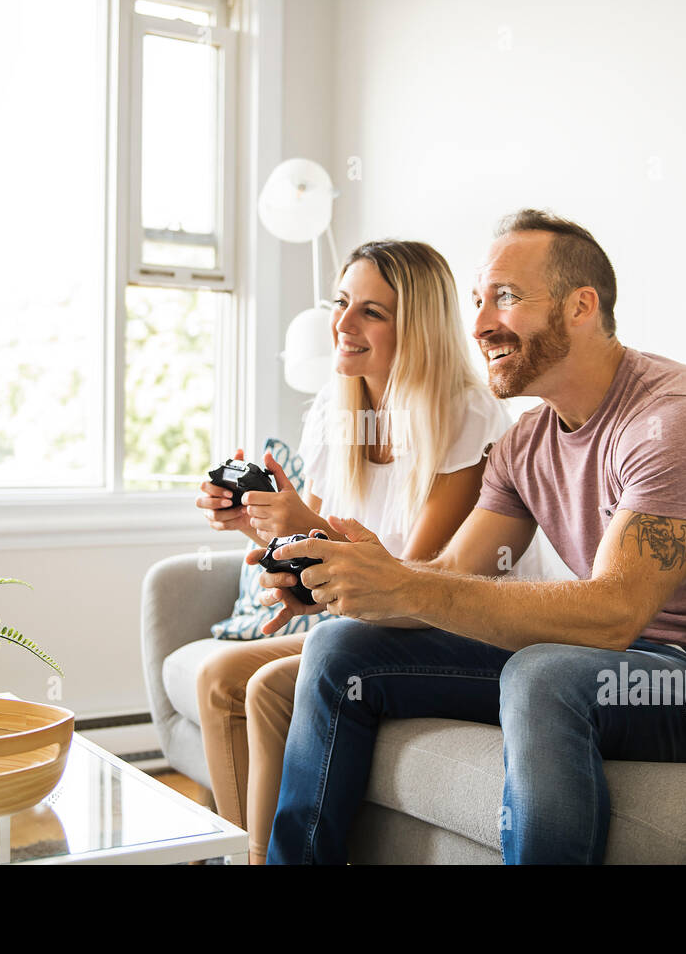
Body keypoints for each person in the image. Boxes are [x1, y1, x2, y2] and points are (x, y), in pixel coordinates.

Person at [257, 209, 686, 864]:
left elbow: (613, 616)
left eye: (504, 298)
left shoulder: (676, 417)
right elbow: (455, 576)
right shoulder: (524, 444)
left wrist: (405, 585)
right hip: (598, 662)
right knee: (340, 648)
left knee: (544, 674)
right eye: (479, 300)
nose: (479, 324)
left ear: (580, 307)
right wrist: (357, 577)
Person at [193, 239, 534, 864]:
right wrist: (260, 526)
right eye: (341, 302)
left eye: (371, 312)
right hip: (373, 622)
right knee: (218, 676)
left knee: (269, 684)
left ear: (418, 326)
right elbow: (313, 548)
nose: (342, 325)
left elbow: (421, 583)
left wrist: (301, 523)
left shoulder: (468, 418)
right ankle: (244, 856)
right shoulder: (336, 409)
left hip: (452, 629)